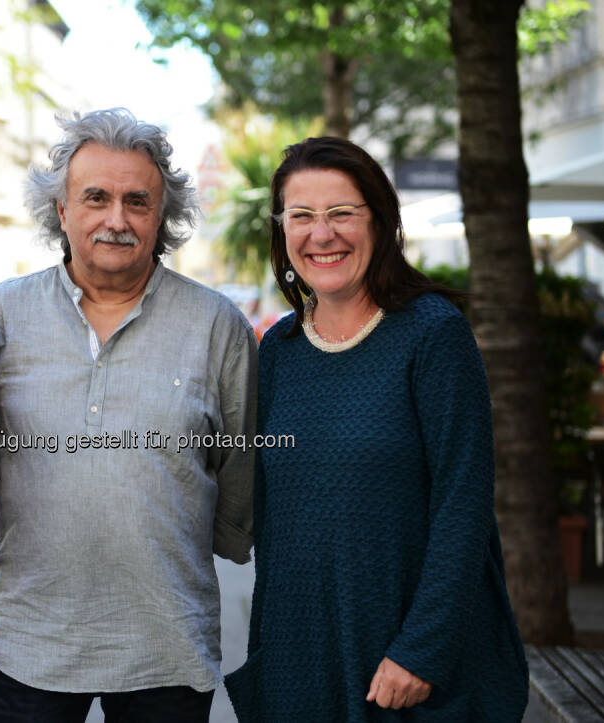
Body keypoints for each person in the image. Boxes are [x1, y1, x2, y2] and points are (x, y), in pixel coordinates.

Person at [224, 137, 529, 721]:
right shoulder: (280, 352)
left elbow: (463, 507)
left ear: (381, 221)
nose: (322, 234)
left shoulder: (433, 335)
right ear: (282, 229)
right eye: (302, 216)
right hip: (301, 657)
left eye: (342, 213)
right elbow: (273, 518)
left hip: (408, 661)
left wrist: (422, 651)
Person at [0, 108, 258, 722]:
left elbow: (239, 469)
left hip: (169, 644)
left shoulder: (217, 326)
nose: (116, 219)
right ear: (61, 211)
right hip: (30, 643)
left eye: (137, 202)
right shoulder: (0, 316)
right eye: (96, 198)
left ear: (162, 216)